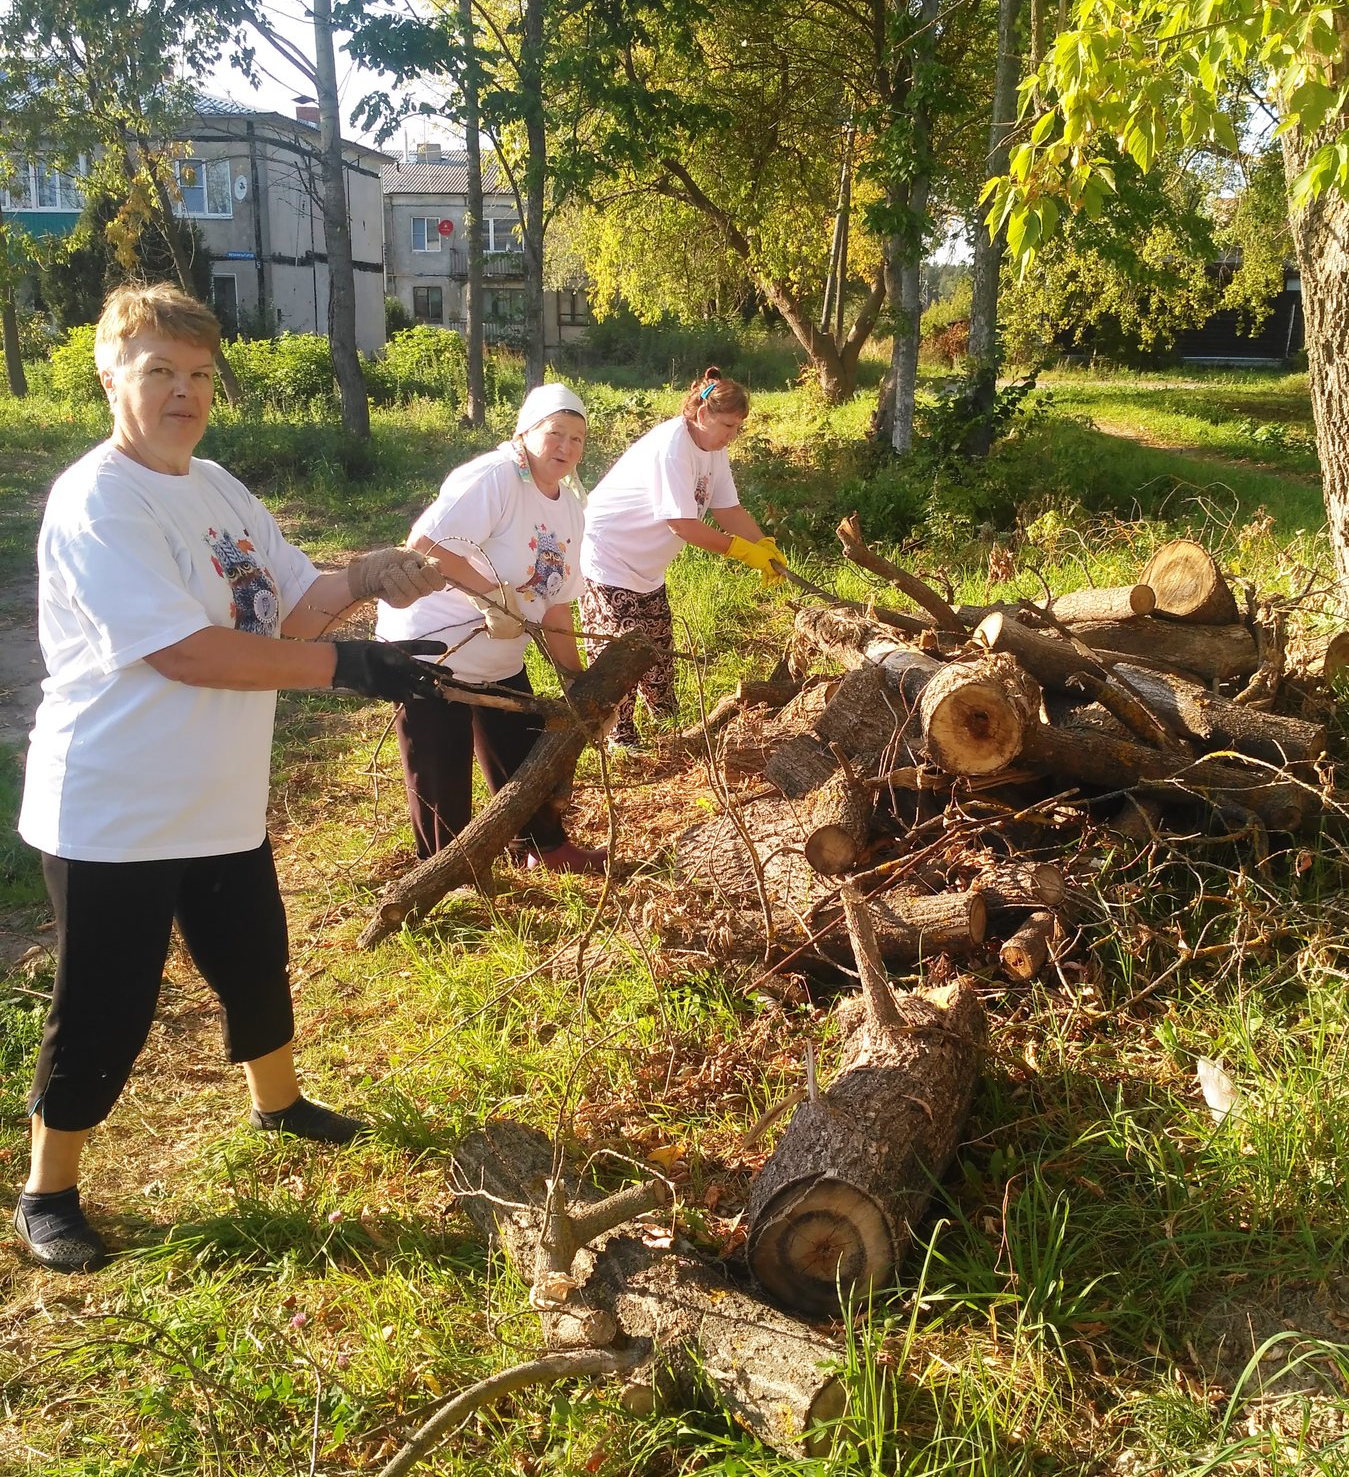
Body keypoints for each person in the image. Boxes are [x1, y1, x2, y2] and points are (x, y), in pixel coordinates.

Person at [13, 283, 451, 1274]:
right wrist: (346, 667)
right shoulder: (98, 500)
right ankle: (48, 1190)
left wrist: (365, 577)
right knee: (106, 1003)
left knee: (254, 959)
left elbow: (289, 608)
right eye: (160, 370)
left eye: (200, 374)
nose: (185, 391)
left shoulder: (216, 486)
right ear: (110, 377)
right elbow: (187, 652)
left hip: (218, 796)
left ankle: (279, 1105)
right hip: (117, 808)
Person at [374, 382, 604, 873]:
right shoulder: (495, 477)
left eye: (577, 438)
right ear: (525, 433)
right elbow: (426, 544)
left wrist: (577, 683)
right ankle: (446, 873)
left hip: (499, 654)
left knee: (523, 750)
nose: (566, 447)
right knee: (441, 762)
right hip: (434, 647)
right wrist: (493, 594)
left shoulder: (568, 507)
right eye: (555, 433)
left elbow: (557, 608)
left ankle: (542, 846)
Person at [578, 368, 788, 746]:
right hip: (608, 556)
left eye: (738, 427)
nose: (732, 435)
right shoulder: (673, 446)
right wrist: (743, 552)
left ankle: (668, 724)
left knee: (658, 647)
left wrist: (765, 544)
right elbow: (682, 525)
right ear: (702, 414)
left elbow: (728, 509)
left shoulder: (713, 450)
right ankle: (619, 738)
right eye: (728, 425)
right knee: (619, 652)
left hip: (647, 566)